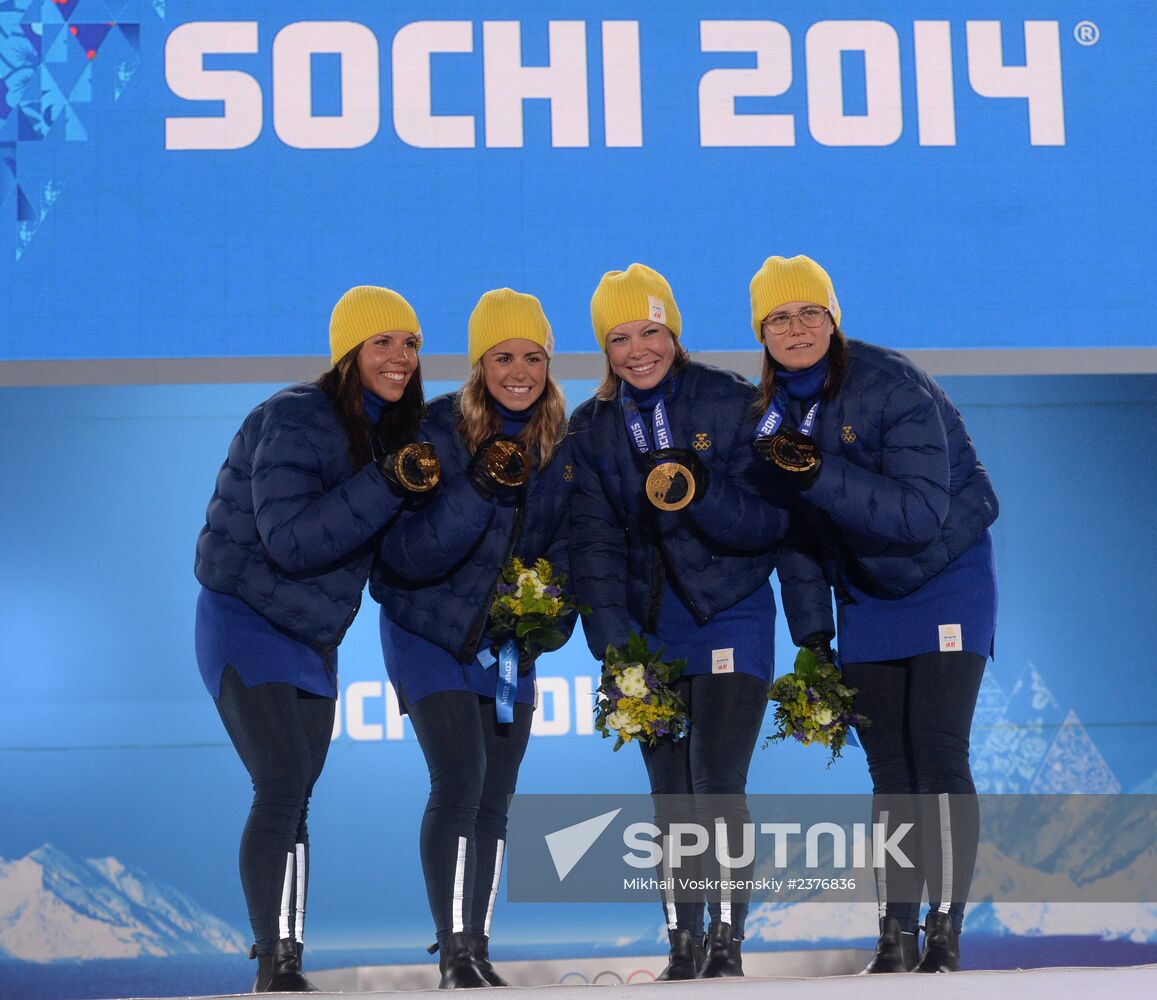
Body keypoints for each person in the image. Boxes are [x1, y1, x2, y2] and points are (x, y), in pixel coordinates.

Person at [748, 255, 998, 974]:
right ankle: (895, 935)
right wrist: (813, 639)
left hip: (945, 576)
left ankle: (945, 933)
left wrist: (816, 471)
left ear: (833, 319)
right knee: (889, 770)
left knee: (937, 752)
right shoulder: (768, 417)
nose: (796, 328)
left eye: (809, 313)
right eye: (778, 318)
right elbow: (793, 534)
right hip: (865, 594)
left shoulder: (890, 383)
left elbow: (919, 516)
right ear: (760, 333)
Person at [195, 286, 438, 993]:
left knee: (296, 794)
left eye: (411, 343)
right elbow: (292, 541)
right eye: (382, 342)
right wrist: (389, 481)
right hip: (244, 618)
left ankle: (288, 955)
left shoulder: (393, 433)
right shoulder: (296, 415)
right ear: (348, 352)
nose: (400, 356)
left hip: (312, 636)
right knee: (278, 785)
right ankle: (275, 962)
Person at [568, 264, 790, 979]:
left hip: (730, 611)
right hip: (645, 629)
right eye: (620, 336)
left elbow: (771, 519)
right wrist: (613, 646)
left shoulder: (728, 402)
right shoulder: (593, 427)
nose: (639, 350)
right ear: (604, 349)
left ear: (674, 334)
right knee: (669, 798)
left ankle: (726, 943)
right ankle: (682, 946)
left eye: (651, 332)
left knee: (716, 779)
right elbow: (593, 545)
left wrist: (693, 497)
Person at [370, 288, 574, 989]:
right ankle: (454, 951)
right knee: (459, 778)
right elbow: (407, 556)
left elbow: (566, 551)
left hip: (505, 645)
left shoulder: (559, 444)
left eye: (533, 357)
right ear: (477, 364)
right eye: (501, 356)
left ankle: (479, 947)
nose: (518, 371)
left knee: (495, 797)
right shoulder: (431, 430)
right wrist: (480, 486)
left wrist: (549, 614)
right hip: (426, 628)